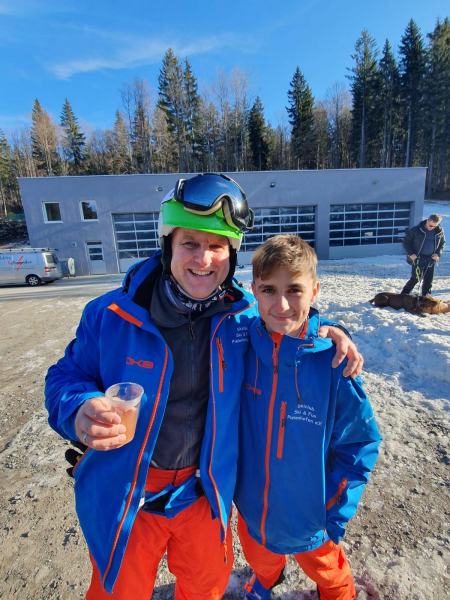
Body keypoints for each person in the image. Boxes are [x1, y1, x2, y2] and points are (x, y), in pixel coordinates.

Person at [45, 173, 363, 600]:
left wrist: (329, 331)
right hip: (129, 496)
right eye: (190, 243)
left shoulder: (242, 317)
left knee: (205, 590)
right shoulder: (111, 315)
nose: (204, 258)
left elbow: (286, 316)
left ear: (231, 253)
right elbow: (64, 378)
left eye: (217, 246)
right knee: (119, 593)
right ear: (168, 246)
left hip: (202, 496)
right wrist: (79, 407)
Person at [235, 234, 381, 600]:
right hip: (252, 509)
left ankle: (339, 594)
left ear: (314, 291)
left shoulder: (334, 364)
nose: (281, 304)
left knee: (327, 570)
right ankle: (267, 577)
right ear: (254, 291)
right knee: (260, 555)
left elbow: (360, 441)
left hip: (310, 516)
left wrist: (333, 509)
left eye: (294, 290)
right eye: (269, 290)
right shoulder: (240, 349)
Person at [401, 214, 446, 297]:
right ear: (427, 220)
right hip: (418, 258)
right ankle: (403, 294)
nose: (432, 228)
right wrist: (411, 254)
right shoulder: (416, 230)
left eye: (434, 226)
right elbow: (406, 242)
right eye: (431, 225)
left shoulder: (439, 231)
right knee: (415, 278)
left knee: (428, 279)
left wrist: (438, 254)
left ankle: (426, 296)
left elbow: (442, 243)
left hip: (431, 258)